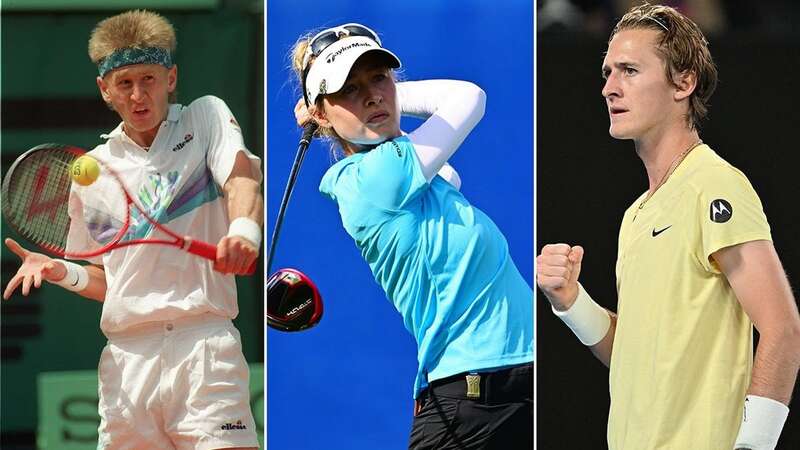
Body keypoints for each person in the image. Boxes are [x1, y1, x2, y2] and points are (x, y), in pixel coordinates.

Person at [536, 4, 800, 450]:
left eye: (630, 71)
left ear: (684, 82)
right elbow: (637, 358)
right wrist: (571, 302)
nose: (608, 88)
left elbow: (783, 329)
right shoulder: (637, 213)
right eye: (607, 72)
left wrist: (753, 447)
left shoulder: (714, 184)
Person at [2, 10, 263, 450]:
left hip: (203, 350)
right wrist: (60, 271)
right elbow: (110, 282)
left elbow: (241, 177)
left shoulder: (205, 119)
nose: (139, 94)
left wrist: (243, 232)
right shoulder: (93, 172)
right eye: (125, 83)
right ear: (105, 89)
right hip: (127, 362)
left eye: (150, 79)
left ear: (172, 78)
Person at [290, 23, 534, 449]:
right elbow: (467, 98)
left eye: (379, 78)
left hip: (513, 385)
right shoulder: (371, 180)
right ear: (323, 114)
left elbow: (446, 172)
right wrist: (363, 105)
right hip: (472, 399)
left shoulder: (414, 173)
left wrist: (338, 107)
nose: (372, 96)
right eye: (350, 88)